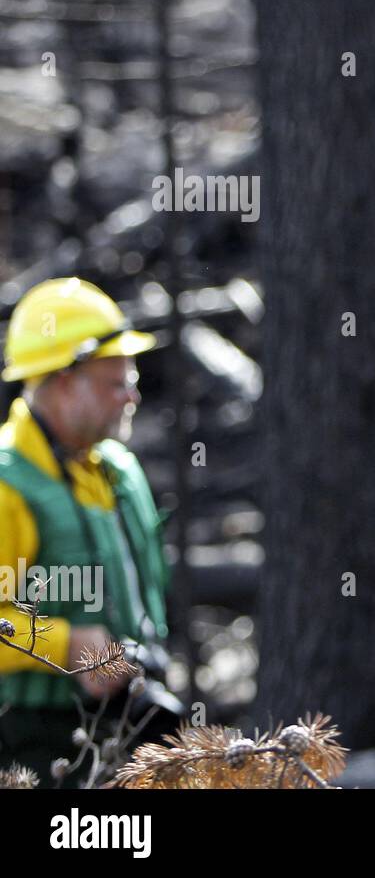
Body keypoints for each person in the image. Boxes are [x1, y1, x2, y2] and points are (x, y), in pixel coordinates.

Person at [0, 278, 178, 785]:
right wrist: (67, 645)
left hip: (130, 731)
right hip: (31, 750)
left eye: (131, 377)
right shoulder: (7, 485)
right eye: (114, 382)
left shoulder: (118, 469)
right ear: (61, 382)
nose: (133, 394)